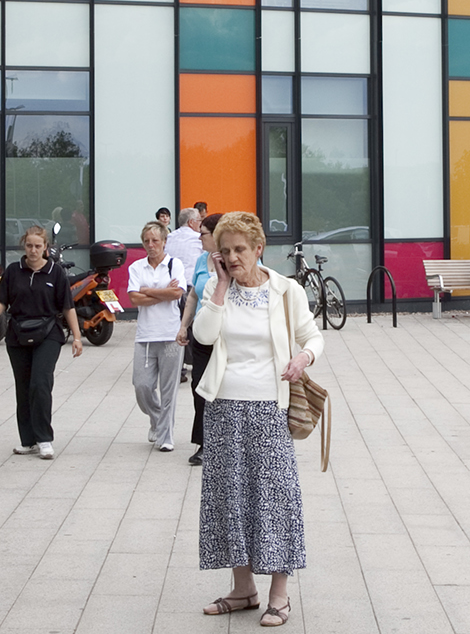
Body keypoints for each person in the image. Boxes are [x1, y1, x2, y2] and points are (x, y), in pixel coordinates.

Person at [191, 211, 324, 628]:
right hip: (224, 406)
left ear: (258, 248)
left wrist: (303, 357)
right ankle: (243, 588)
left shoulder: (286, 290)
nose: (231, 257)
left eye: (239, 250)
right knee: (229, 499)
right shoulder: (218, 287)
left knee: (275, 498)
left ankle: (279, 595)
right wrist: (222, 288)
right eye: (224, 250)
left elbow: (313, 336)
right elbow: (203, 337)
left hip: (270, 407)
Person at [0, 226, 84, 459]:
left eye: (38, 246)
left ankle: (44, 439)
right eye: (29, 245)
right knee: (24, 387)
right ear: (24, 246)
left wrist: (77, 337)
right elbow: (2, 300)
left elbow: (67, 307)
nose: (33, 250)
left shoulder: (56, 272)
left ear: (45, 248)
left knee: (40, 384)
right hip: (18, 334)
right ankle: (28, 440)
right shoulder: (13, 271)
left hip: (48, 333)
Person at [126, 221, 190, 452]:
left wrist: (148, 291)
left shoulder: (175, 265)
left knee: (168, 388)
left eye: (155, 240)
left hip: (171, 334)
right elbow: (133, 299)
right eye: (147, 241)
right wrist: (163, 294)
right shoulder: (137, 268)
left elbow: (177, 293)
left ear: (164, 241)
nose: (151, 245)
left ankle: (166, 436)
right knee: (142, 386)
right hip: (145, 336)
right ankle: (156, 418)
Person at [180, 213, 223, 466]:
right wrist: (184, 326)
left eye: (203, 233)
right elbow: (193, 297)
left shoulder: (234, 260)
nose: (199, 237)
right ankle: (203, 444)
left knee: (224, 391)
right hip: (201, 334)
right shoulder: (200, 261)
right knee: (200, 388)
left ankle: (224, 443)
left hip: (226, 336)